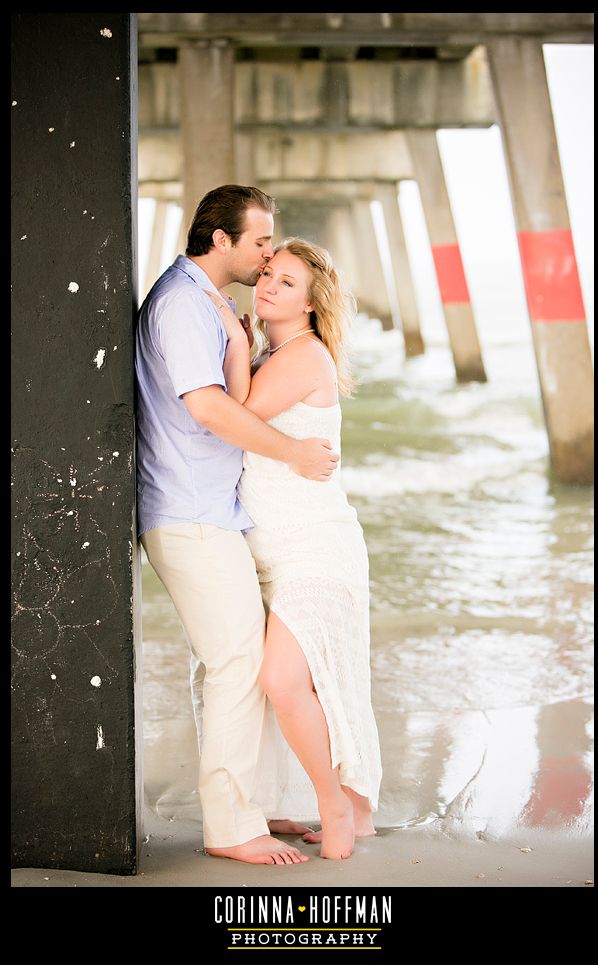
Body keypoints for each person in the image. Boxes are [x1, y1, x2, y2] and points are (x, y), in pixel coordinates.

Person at [135, 185, 341, 866]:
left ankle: (245, 803)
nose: (266, 253)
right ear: (220, 239)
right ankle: (229, 825)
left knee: (230, 663)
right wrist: (294, 453)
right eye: (260, 242)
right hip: (189, 513)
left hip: (209, 511)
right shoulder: (182, 304)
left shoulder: (205, 301)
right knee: (236, 663)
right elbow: (209, 409)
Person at [207, 237, 382, 859]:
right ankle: (346, 806)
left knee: (283, 679)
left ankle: (335, 806)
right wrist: (245, 343)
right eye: (269, 275)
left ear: (311, 305)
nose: (270, 287)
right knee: (315, 682)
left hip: (315, 550)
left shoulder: (304, 356)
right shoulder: (276, 352)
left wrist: (231, 340)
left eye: (286, 282)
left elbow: (234, 415)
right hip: (274, 554)